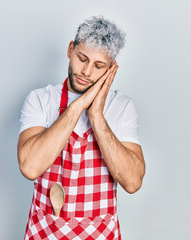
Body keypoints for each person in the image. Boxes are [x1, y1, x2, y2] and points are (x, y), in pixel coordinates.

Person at [17, 16, 145, 239]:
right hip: (46, 233)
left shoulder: (122, 107)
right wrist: (78, 107)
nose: (86, 71)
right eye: (82, 59)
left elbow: (132, 182)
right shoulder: (40, 99)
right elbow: (30, 167)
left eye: (98, 66)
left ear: (111, 69)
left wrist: (96, 116)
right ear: (70, 50)